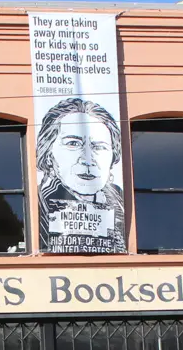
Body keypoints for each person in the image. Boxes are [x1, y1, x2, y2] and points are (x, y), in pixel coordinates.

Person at [36, 97, 125, 253]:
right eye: (73, 144)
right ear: (48, 153)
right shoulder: (37, 203)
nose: (88, 160)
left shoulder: (119, 199)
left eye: (99, 147)